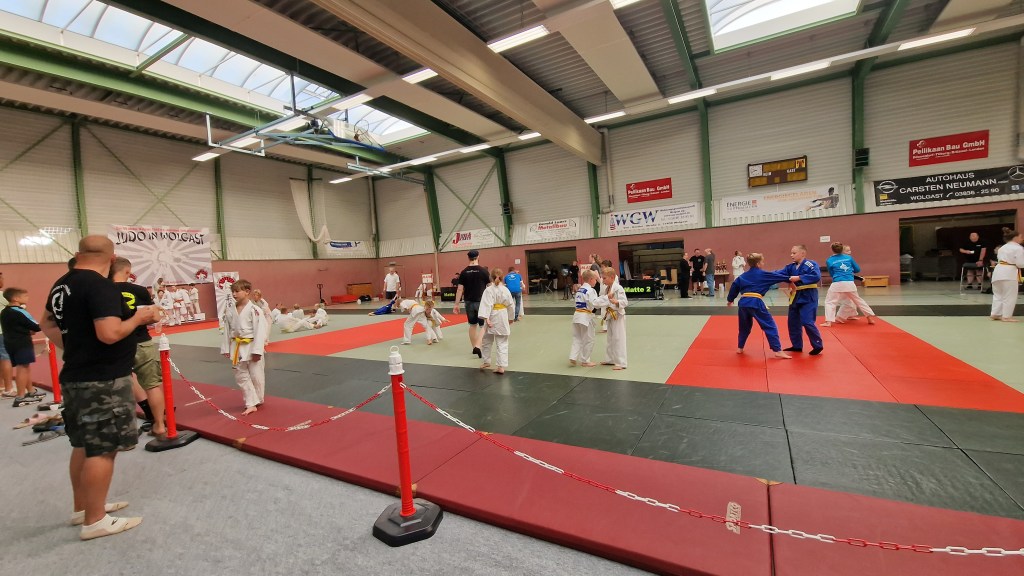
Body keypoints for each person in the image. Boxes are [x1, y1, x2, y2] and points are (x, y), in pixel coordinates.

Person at [40, 235, 162, 539]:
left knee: (83, 444)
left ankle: (84, 507)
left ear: (78, 253)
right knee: (104, 448)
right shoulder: (100, 286)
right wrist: (139, 318)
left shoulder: (62, 284)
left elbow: (47, 324)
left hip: (76, 374)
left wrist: (75, 349)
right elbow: (109, 333)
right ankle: (94, 520)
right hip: (103, 379)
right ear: (112, 258)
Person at [110, 257, 166, 438]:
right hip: (141, 340)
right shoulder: (139, 290)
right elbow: (155, 317)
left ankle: (125, 430)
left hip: (115, 342)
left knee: (121, 385)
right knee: (152, 385)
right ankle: (159, 425)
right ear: (127, 271)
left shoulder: (103, 291)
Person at [727, 253, 794, 359]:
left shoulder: (743, 276)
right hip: (755, 302)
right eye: (762, 262)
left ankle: (740, 347)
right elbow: (778, 277)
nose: (763, 263)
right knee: (770, 326)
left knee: (744, 327)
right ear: (758, 264)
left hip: (743, 303)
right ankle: (777, 350)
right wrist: (791, 279)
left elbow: (734, 287)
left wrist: (730, 300)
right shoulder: (764, 274)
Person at [220, 279, 267, 416]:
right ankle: (251, 403)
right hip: (237, 346)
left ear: (247, 292)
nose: (234, 294)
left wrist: (258, 351)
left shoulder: (255, 310)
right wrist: (226, 348)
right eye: (232, 292)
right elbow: (227, 330)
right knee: (240, 375)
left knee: (256, 375)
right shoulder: (230, 310)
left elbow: (260, 330)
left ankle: (258, 398)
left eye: (237, 291)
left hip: (252, 345)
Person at [775, 245, 824, 355]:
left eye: (794, 253)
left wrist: (799, 277)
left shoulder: (810, 264)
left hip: (808, 296)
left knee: (807, 321)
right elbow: (779, 273)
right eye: (791, 253)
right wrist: (764, 275)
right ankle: (797, 345)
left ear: (802, 253)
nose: (791, 255)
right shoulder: (790, 267)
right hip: (795, 296)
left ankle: (818, 345)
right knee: (793, 322)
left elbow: (816, 276)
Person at [1, 287, 46, 406]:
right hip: (21, 343)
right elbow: (36, 326)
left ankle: (30, 391)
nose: (27, 298)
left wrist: (27, 330)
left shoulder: (5, 312)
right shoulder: (19, 311)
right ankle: (20, 396)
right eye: (25, 296)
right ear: (16, 298)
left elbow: (15, 326)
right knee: (22, 367)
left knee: (24, 367)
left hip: (10, 342)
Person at [822, 242, 877, 327]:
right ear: (842, 249)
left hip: (837, 283)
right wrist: (849, 270)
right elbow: (857, 269)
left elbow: (831, 273)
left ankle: (828, 322)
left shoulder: (829, 260)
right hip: (850, 283)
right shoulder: (848, 258)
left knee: (830, 302)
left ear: (832, 250)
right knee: (858, 301)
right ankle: (869, 318)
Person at [452, 250, 489, 358]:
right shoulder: (483, 271)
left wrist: (456, 304)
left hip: (468, 302)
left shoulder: (464, 272)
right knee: (484, 325)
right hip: (481, 302)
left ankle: (474, 347)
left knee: (472, 325)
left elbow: (460, 289)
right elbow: (490, 287)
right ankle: (479, 345)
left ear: (468, 258)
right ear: (478, 257)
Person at [478, 268, 513, 374]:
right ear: (502, 277)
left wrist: (486, 318)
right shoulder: (505, 290)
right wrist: (511, 318)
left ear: (491, 278)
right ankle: (501, 366)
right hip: (502, 315)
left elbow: (486, 304)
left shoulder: (488, 290)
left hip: (491, 315)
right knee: (502, 342)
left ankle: (486, 361)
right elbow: (511, 305)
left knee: (486, 340)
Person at [593, 267, 628, 370]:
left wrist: (617, 302)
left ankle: (621, 363)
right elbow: (603, 301)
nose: (602, 280)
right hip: (610, 315)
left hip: (617, 315)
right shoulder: (607, 288)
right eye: (602, 278)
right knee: (610, 338)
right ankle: (610, 359)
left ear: (612, 277)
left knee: (618, 338)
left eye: (604, 278)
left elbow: (625, 302)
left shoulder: (618, 288)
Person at [990, 227, 1024, 322]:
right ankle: (1006, 316)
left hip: (998, 271)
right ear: (1015, 238)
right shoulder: (1018, 248)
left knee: (998, 294)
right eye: (1021, 237)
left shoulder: (1002, 248)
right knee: (1010, 295)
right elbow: (1020, 264)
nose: (1022, 239)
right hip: (1009, 273)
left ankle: (995, 313)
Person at [569, 269, 599, 367]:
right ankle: (585, 361)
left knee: (577, 337)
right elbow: (595, 303)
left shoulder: (580, 290)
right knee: (589, 339)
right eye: (595, 279)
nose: (596, 281)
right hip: (585, 317)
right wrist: (605, 300)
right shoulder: (591, 290)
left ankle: (573, 356)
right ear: (590, 279)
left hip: (577, 315)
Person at [0, 271, 15, 398]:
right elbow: (16, 305)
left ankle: (1, 386)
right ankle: (9, 388)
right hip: (2, 331)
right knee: (5, 358)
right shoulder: (2, 296)